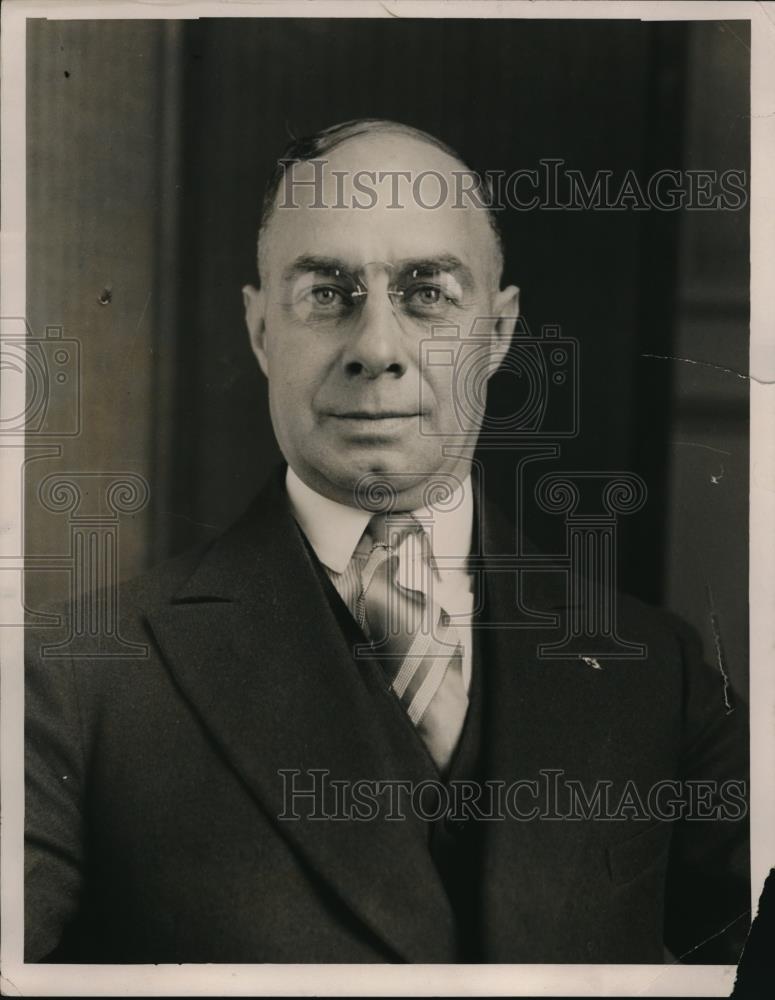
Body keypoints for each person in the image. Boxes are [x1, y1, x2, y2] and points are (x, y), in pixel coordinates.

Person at [25, 119, 749, 964]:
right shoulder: (74, 680)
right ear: (261, 330)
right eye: (326, 293)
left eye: (427, 292)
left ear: (500, 331)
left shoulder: (655, 670)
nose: (376, 349)